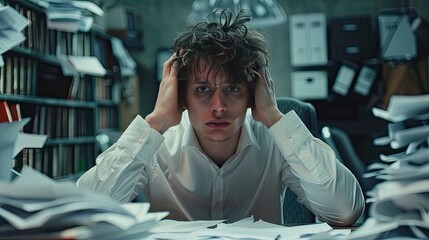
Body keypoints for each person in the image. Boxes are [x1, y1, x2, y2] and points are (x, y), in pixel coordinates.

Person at [77, 8, 364, 226]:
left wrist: (275, 118)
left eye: (233, 89)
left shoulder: (274, 141)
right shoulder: (156, 143)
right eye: (202, 89)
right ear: (181, 94)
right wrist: (156, 121)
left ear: (252, 93)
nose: (218, 106)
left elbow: (345, 211)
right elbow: (86, 212)